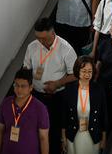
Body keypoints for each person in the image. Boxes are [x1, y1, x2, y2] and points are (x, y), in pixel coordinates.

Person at [22, 18, 76, 154]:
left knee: (54, 130)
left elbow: (75, 74)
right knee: (35, 128)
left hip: (58, 97)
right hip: (36, 96)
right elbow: (26, 70)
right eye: (38, 38)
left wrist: (57, 83)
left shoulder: (65, 49)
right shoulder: (32, 47)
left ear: (53, 34)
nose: (40, 42)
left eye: (44, 38)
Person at [0, 68, 49, 154]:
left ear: (31, 87)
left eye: (23, 86)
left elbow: (43, 137)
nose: (19, 90)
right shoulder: (6, 103)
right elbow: (0, 130)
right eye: (16, 85)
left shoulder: (40, 108)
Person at [60, 55, 107, 154]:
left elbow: (104, 116)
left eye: (90, 71)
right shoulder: (69, 89)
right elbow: (64, 116)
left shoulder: (99, 89)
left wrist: (104, 138)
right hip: (74, 134)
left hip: (93, 135)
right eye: (84, 71)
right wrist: (63, 137)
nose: (87, 74)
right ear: (77, 71)